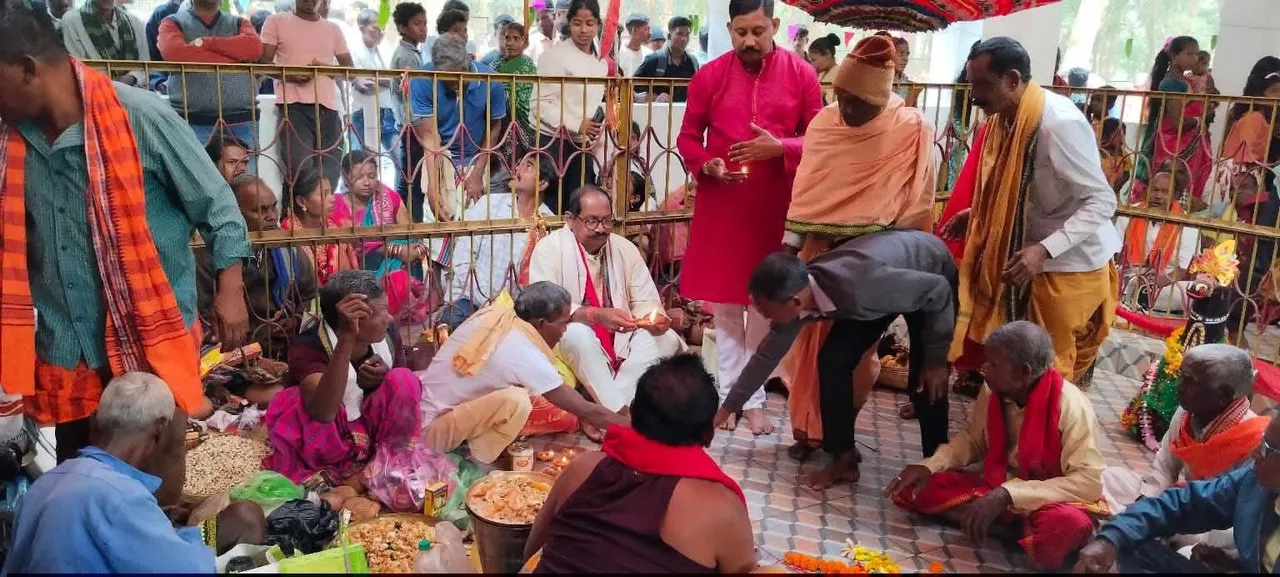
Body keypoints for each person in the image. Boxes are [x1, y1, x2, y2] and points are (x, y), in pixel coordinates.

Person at [0, 0, 250, 462]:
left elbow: (218, 205)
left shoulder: (140, 117)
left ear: (26, 69)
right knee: (80, 470)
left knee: (153, 476)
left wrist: (230, 288)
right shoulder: (12, 140)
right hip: (67, 344)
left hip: (150, 335)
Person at [778, 35, 938, 460]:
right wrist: (790, 249)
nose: (846, 111)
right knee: (806, 347)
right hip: (819, 250)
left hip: (875, 260)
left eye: (858, 104)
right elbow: (808, 190)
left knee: (852, 355)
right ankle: (807, 429)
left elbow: (918, 200)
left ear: (883, 99)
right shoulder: (825, 123)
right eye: (841, 98)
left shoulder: (911, 129)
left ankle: (840, 430)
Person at [938, 37, 1121, 387]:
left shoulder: (1058, 124)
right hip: (1028, 261)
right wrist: (977, 213)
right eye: (971, 83)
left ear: (1011, 79)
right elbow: (1017, 191)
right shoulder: (1003, 120)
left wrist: (1045, 249)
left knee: (1049, 371)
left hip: (1068, 265)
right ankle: (1012, 434)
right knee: (1020, 367)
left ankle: (1043, 437)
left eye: (982, 85)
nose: (973, 95)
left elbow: (1102, 200)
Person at [676, 0, 823, 435]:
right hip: (722, 205)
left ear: (775, 25)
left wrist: (780, 147)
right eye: (741, 32)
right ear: (729, 29)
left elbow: (819, 136)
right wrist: (706, 164)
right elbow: (688, 137)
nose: (749, 41)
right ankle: (731, 398)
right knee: (724, 309)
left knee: (765, 307)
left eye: (758, 31)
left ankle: (752, 398)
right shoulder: (709, 75)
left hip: (774, 207)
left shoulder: (802, 74)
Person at [719, 230, 954, 487]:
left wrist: (936, 359)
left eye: (766, 311)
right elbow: (763, 359)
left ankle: (937, 470)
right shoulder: (799, 295)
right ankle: (844, 459)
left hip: (930, 275)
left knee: (926, 382)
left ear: (794, 302)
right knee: (833, 361)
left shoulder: (861, 285)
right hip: (878, 291)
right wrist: (727, 409)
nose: (765, 318)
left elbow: (938, 291)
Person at [886, 321, 1107, 570]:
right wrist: (929, 466)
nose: (983, 368)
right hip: (996, 482)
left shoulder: (1073, 407)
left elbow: (1088, 482)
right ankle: (1011, 528)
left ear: (1025, 371)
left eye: (993, 363)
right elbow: (973, 439)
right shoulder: (993, 390)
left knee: (1067, 525)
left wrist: (1007, 495)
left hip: (1050, 497)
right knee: (915, 488)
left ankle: (1000, 522)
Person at [3, 373, 266, 573]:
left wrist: (160, 523)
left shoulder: (45, 483)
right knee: (246, 517)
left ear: (94, 421)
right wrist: (191, 535)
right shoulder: (119, 496)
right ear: (160, 432)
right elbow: (188, 569)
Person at [524, 354, 756, 574]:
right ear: (708, 435)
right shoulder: (721, 508)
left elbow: (531, 551)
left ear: (632, 411)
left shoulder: (582, 469)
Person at [418, 281, 628, 463]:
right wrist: (636, 429)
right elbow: (583, 408)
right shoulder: (521, 349)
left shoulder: (500, 314)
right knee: (518, 401)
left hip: (429, 415)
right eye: (564, 324)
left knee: (519, 392)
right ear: (542, 323)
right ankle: (479, 462)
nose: (565, 331)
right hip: (429, 435)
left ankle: (473, 451)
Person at [529, 186, 685, 421]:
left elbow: (646, 301)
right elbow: (545, 307)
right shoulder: (549, 249)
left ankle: (606, 414)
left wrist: (654, 319)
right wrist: (594, 316)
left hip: (622, 335)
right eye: (591, 221)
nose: (601, 229)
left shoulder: (624, 248)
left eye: (606, 220)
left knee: (667, 338)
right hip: (567, 336)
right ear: (570, 219)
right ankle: (620, 416)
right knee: (577, 334)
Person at [1100, 344, 1266, 560]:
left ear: (1223, 396)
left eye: (1190, 381)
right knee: (1109, 478)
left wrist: (1154, 516)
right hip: (1180, 502)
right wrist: (1146, 500)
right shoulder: (1185, 413)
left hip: (1212, 526)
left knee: (1191, 550)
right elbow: (1165, 468)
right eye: (1181, 376)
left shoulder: (1257, 440)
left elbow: (1240, 511)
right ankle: (1141, 533)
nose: (1179, 386)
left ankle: (1139, 536)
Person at [264, 270, 423, 484]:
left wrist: (381, 380)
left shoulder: (387, 333)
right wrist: (347, 337)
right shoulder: (308, 345)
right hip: (334, 434)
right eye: (380, 312)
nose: (390, 318)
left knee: (403, 380)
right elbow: (323, 411)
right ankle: (350, 476)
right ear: (352, 320)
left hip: (373, 427)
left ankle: (390, 462)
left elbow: (403, 390)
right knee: (295, 399)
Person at [1075, 413, 1280, 573]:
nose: (1255, 452)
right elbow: (1184, 504)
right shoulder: (1253, 480)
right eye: (1261, 442)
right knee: (1128, 545)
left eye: (1266, 449)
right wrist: (1112, 538)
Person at [198, 175, 317, 364]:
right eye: (259, 210)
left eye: (273, 207)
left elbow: (313, 297)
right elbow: (202, 322)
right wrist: (250, 356)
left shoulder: (287, 246)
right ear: (234, 214)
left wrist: (297, 319)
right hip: (233, 358)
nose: (271, 216)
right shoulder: (208, 256)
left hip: (289, 346)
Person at [444, 153, 556, 326]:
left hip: (515, 309)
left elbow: (540, 281)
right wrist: (487, 301)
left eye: (528, 166)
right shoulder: (489, 204)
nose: (517, 169)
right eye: (520, 163)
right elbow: (462, 260)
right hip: (470, 298)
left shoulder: (548, 223)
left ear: (542, 184)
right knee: (452, 322)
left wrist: (507, 308)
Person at [407, 33, 506, 224]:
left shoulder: (490, 81)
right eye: (446, 79)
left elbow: (495, 126)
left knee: (471, 228)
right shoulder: (423, 79)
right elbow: (430, 137)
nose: (453, 85)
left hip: (475, 158)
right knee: (437, 223)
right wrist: (433, 187)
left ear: (468, 62)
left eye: (457, 77)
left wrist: (477, 173)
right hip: (438, 158)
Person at [260, 0, 354, 185]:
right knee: (300, 170)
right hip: (294, 108)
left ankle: (322, 213)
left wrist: (323, 68)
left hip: (328, 108)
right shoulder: (276, 21)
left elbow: (349, 71)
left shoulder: (333, 28)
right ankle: (294, 213)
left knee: (331, 171)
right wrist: (290, 75)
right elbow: (262, 64)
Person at [334, 150, 428, 320]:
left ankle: (397, 305)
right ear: (345, 177)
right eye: (359, 177)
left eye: (371, 176)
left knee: (405, 249)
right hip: (356, 273)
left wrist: (408, 250)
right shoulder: (337, 206)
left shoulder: (386, 196)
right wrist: (397, 250)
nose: (367, 182)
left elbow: (408, 233)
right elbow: (350, 247)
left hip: (392, 266)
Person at [534, 0, 607, 214]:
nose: (583, 30)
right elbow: (540, 105)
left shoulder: (601, 61)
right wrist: (577, 123)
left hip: (582, 145)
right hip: (553, 141)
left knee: (579, 207)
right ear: (569, 23)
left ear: (598, 25)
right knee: (552, 208)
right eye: (577, 23)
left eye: (589, 23)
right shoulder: (553, 56)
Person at [157, 0, 263, 146]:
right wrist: (235, 58)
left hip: (241, 120)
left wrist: (206, 43)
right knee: (192, 169)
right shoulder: (171, 23)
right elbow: (175, 53)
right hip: (190, 121)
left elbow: (254, 48)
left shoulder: (239, 22)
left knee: (244, 169)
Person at [1132, 36, 1211, 207]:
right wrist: (1199, 121)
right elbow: (1177, 123)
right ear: (1174, 55)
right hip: (1173, 143)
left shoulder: (1183, 79)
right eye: (1189, 54)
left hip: (1182, 142)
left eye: (1197, 54)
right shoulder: (1171, 83)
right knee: (1174, 180)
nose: (1195, 59)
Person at [1115, 161, 1202, 313]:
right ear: (1147, 190)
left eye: (1165, 192)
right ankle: (1131, 299)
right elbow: (1115, 254)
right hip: (1128, 279)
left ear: (1175, 195)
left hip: (1165, 286)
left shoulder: (1187, 224)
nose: (1158, 196)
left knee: (1194, 294)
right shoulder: (1130, 213)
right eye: (1154, 190)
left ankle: (1137, 300)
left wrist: (1149, 286)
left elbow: (1180, 270)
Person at [281, 165, 360, 284]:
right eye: (324, 195)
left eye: (331, 192)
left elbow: (350, 277)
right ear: (301, 201)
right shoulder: (286, 234)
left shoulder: (335, 227)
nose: (333, 199)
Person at [60, 0, 149, 87]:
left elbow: (146, 68)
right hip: (95, 94)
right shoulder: (72, 21)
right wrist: (112, 85)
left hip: (135, 91)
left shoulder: (134, 22)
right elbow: (79, 71)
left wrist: (131, 78)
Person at [349, 9, 398, 156]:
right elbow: (363, 81)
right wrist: (385, 79)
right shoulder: (353, 51)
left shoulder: (385, 50)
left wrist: (377, 77)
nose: (380, 32)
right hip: (363, 112)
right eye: (376, 28)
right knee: (363, 161)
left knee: (401, 160)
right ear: (362, 28)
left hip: (388, 111)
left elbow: (394, 80)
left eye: (382, 28)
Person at [632, 16, 699, 103]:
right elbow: (633, 86)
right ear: (669, 36)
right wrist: (654, 98)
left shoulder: (692, 63)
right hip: (657, 115)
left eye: (687, 35)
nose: (684, 39)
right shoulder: (654, 60)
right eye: (679, 34)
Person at [494, 21, 537, 140]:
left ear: (525, 42)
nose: (510, 43)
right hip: (497, 121)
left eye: (516, 38)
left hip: (522, 127)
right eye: (507, 38)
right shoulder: (495, 65)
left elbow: (526, 100)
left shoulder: (529, 68)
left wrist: (504, 94)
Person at [806, 33, 839, 104]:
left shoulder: (840, 74)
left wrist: (820, 95)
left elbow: (838, 102)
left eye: (814, 60)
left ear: (827, 54)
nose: (812, 65)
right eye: (811, 61)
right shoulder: (821, 73)